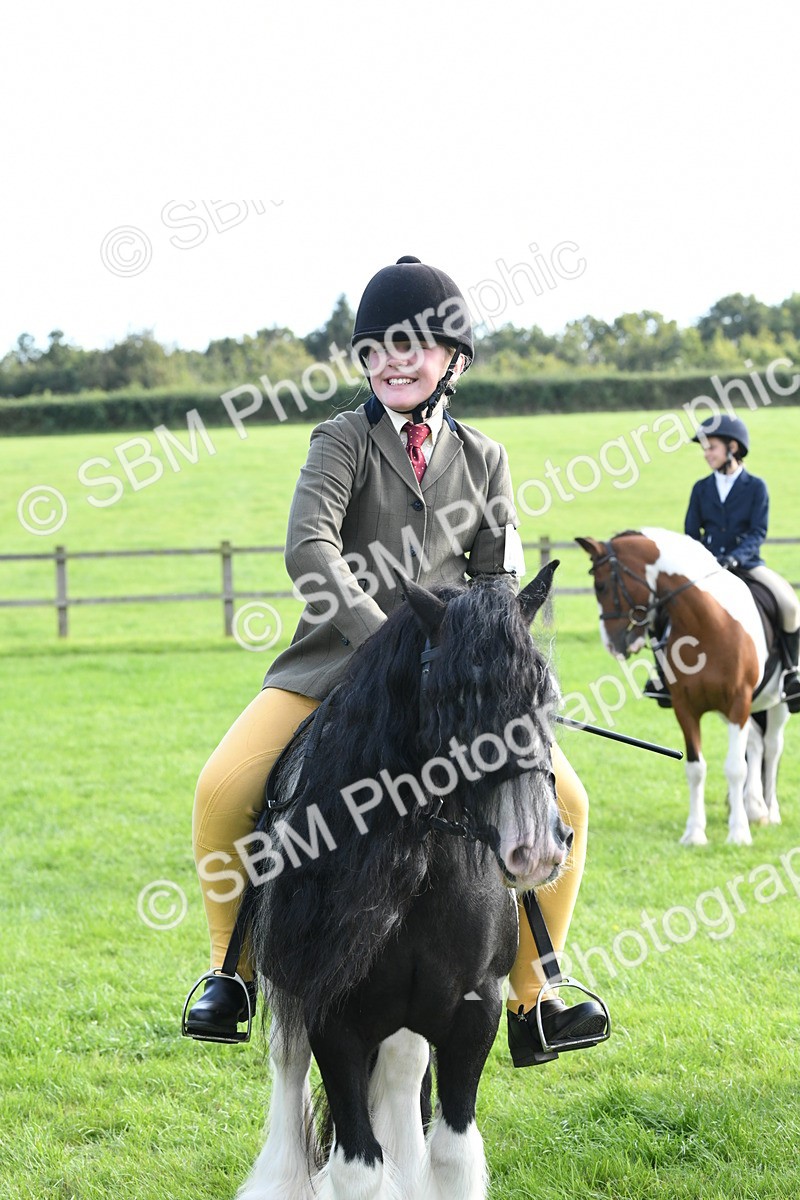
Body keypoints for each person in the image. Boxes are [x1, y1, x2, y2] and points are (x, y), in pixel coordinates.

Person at [184, 255, 609, 1066]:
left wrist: (498, 664)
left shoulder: (486, 459)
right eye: (376, 347)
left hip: (455, 689)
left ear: (454, 359)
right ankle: (228, 974)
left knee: (571, 804)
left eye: (412, 345)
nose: (392, 360)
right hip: (335, 668)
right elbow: (307, 544)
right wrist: (380, 637)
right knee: (223, 788)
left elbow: (494, 580)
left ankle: (534, 996)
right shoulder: (340, 440)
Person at [644, 414, 800, 711]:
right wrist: (701, 559)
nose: (706, 454)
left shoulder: (756, 487)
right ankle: (663, 677)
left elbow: (757, 532)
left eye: (711, 448)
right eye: (704, 449)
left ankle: (791, 674)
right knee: (663, 606)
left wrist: (736, 557)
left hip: (748, 564)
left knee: (790, 605)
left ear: (732, 447)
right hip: (707, 567)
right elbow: (691, 532)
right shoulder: (701, 488)